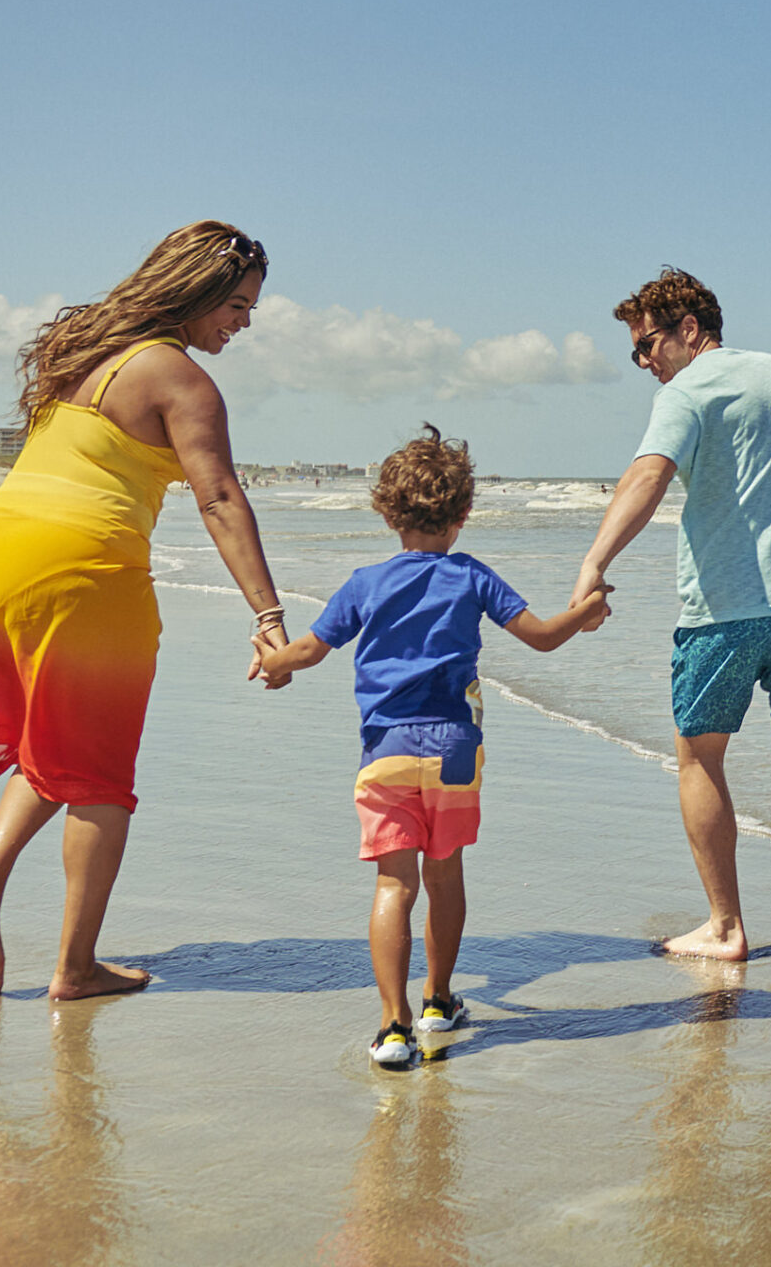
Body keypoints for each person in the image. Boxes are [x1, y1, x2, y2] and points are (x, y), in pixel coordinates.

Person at [0, 221, 287, 1000]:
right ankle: (74, 967)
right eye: (236, 303)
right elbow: (220, 498)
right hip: (82, 575)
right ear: (193, 293)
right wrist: (269, 616)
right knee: (100, 778)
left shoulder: (82, 350)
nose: (244, 322)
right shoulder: (182, 381)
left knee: (53, 743)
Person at [252, 426, 608, 1067]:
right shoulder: (471, 577)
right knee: (444, 876)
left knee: (395, 883)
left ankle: (393, 1028)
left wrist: (275, 663)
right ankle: (440, 1002)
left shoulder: (366, 583)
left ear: (387, 514)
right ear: (464, 514)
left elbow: (309, 649)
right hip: (454, 749)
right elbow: (544, 637)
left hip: (386, 749)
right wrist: (585, 611)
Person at [569, 268, 771, 961]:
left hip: (724, 610)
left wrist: (596, 562)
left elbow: (649, 476)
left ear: (691, 329)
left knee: (700, 757)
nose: (644, 363)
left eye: (648, 345)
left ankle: (724, 926)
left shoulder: (687, 391)